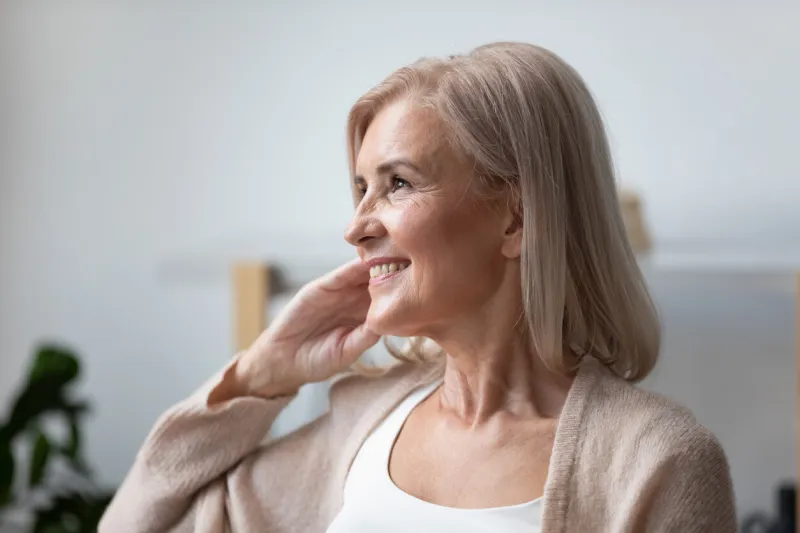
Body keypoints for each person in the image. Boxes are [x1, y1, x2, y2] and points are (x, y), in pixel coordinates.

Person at [99, 42, 737, 532]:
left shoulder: (658, 463)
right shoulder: (362, 422)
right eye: (360, 189)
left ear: (516, 217)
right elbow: (136, 522)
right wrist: (262, 373)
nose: (356, 227)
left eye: (397, 184)